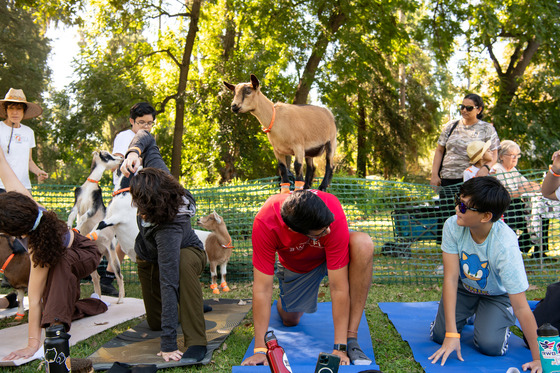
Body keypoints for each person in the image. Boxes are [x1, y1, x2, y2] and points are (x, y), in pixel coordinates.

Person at [241, 189, 374, 366]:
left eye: (327, 226)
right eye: (320, 233)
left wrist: (339, 348)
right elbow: (262, 289)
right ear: (293, 230)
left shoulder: (330, 208)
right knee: (291, 319)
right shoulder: (265, 222)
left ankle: (351, 338)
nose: (327, 231)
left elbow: (338, 288)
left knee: (363, 244)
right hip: (298, 265)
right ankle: (285, 302)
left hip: (334, 255)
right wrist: (260, 349)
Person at [0, 149, 107, 361]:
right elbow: (3, 166)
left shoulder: (38, 249)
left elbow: (35, 297)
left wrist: (33, 344)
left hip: (85, 252)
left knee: (56, 281)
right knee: (57, 297)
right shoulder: (26, 205)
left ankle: (56, 328)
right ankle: (93, 304)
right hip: (62, 253)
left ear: (15, 232)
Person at [428, 177, 541, 372]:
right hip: (464, 288)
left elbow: (522, 307)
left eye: (464, 207)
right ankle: (468, 314)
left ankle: (490, 316)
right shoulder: (452, 225)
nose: (457, 209)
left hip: (497, 295)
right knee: (440, 336)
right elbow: (451, 278)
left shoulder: (505, 245)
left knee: (491, 347)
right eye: (458, 201)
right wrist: (451, 334)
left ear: (485, 216)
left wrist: (539, 358)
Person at [120, 130, 208, 363]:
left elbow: (168, 284)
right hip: (148, 256)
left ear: (149, 205)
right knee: (155, 322)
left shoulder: (169, 228)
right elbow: (146, 136)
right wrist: (133, 152)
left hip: (186, 251)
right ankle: (190, 306)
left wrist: (168, 345)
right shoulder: (159, 178)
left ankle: (196, 340)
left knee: (182, 263)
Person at [100, 102, 157, 297]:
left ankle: (107, 278)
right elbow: (117, 159)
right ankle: (97, 273)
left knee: (129, 236)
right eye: (142, 122)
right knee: (111, 234)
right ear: (132, 121)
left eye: (150, 123)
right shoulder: (124, 137)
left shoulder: (150, 138)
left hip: (143, 193)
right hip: (125, 193)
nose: (146, 127)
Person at [430, 94, 500, 245]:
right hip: (448, 179)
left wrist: (486, 168)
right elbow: (439, 150)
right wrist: (434, 174)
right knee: (448, 217)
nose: (464, 110)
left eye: (469, 108)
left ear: (479, 109)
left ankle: (470, 251)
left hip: (472, 180)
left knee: (469, 215)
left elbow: (494, 153)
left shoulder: (487, 128)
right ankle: (448, 254)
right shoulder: (451, 126)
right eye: (462, 107)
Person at [492, 140, 542, 255]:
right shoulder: (497, 169)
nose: (515, 158)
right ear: (501, 156)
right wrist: (522, 190)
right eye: (511, 155)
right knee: (522, 222)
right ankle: (512, 251)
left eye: (517, 155)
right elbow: (504, 193)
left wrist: (529, 187)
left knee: (533, 222)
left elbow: (528, 185)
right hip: (504, 206)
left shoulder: (513, 170)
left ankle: (520, 249)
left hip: (516, 204)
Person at [0, 88, 48, 192]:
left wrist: (38, 172)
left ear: (24, 111)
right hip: (2, 187)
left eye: (19, 108)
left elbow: (29, 160)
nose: (15, 112)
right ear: (5, 110)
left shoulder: (29, 132)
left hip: (24, 187)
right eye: (11, 108)